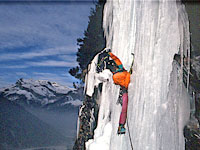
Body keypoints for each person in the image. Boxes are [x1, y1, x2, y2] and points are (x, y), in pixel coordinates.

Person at [97, 48, 131, 134]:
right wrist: (109, 54)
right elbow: (117, 60)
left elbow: (116, 59)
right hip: (125, 90)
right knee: (124, 108)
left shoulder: (117, 73)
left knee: (124, 109)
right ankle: (121, 125)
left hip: (124, 89)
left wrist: (110, 54)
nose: (114, 67)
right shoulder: (117, 74)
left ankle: (121, 126)